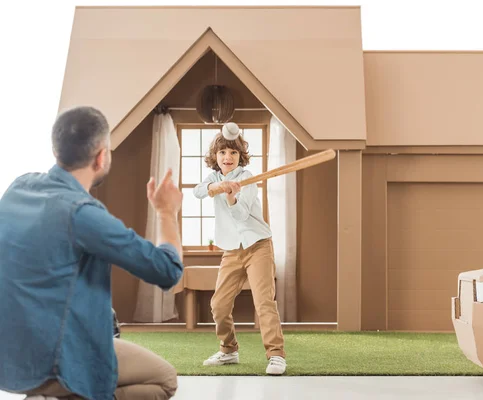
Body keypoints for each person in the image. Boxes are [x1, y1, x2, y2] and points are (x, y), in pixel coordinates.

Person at [0, 106, 184, 400]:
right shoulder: (83, 214)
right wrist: (165, 213)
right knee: (164, 380)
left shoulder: (18, 187)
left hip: (8, 360)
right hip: (54, 361)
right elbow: (167, 271)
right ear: (102, 156)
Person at [193, 130, 286, 375]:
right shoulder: (211, 176)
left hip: (258, 245)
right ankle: (228, 350)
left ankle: (276, 355)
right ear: (215, 155)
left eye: (233, 152)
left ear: (239, 156)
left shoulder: (247, 178)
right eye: (222, 152)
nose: (227, 156)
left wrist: (232, 196)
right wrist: (217, 185)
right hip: (232, 250)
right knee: (219, 305)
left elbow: (242, 215)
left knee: (264, 301)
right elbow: (198, 191)